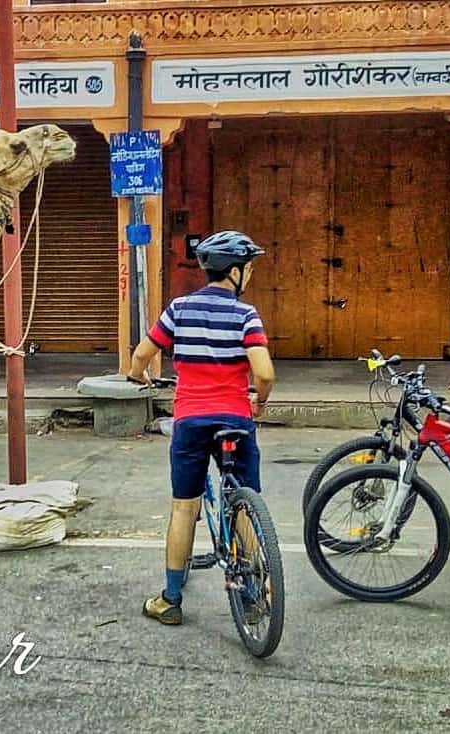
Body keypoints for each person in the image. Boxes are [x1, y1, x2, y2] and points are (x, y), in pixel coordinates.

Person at [126, 230, 275, 626]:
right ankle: (254, 589)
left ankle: (170, 600)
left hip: (191, 420)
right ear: (236, 272)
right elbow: (264, 372)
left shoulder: (179, 309)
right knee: (244, 501)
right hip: (236, 421)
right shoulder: (246, 315)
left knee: (183, 506)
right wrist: (258, 399)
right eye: (250, 268)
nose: (253, 274)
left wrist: (137, 375)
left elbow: (142, 354)